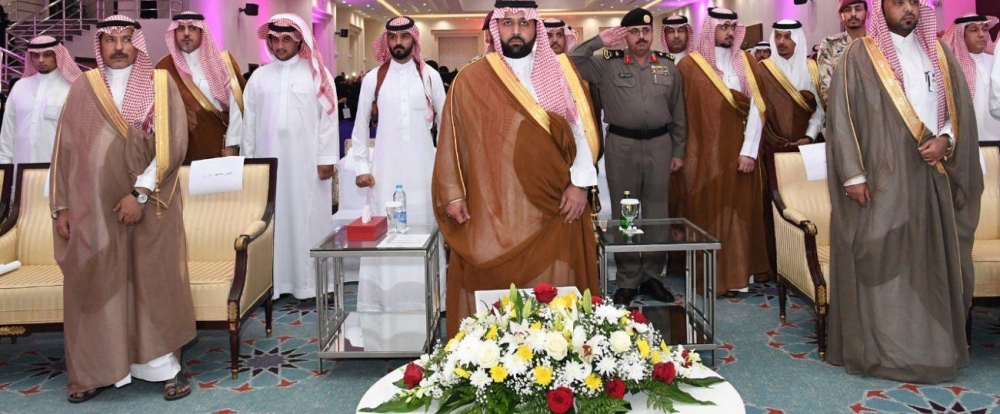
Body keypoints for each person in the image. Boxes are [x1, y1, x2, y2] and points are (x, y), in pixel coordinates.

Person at [825, 0, 982, 383]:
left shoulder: (940, 53)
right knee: (882, 258)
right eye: (898, 2)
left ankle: (932, 348)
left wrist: (946, 139)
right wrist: (852, 175)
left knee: (930, 260)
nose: (908, 9)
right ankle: (885, 351)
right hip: (883, 181)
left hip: (933, 176)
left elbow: (959, 111)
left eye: (913, 2)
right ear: (881, 8)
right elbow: (841, 117)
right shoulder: (858, 56)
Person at [432, 0, 601, 334]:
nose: (516, 31)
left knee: (555, 281)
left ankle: (554, 346)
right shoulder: (472, 78)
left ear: (536, 26)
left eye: (524, 23)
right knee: (496, 283)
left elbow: (580, 130)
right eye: (507, 23)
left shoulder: (559, 72)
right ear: (496, 27)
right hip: (494, 204)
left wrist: (580, 186)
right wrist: (453, 194)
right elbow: (452, 137)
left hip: (556, 201)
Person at [50, 15, 194, 403]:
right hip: (93, 209)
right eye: (110, 40)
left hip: (151, 204)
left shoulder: (160, 85)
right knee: (97, 282)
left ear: (137, 43)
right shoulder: (83, 88)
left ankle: (163, 367)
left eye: (126, 39)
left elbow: (173, 144)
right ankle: (99, 369)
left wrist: (139, 193)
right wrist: (61, 206)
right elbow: (65, 150)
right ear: (99, 45)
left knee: (153, 281)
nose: (118, 47)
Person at [569, 7, 685, 305]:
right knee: (626, 213)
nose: (641, 36)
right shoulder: (607, 65)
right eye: (634, 31)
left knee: (657, 214)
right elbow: (573, 60)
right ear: (625, 36)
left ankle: (653, 277)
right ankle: (629, 279)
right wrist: (600, 41)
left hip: (660, 145)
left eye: (645, 30)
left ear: (652, 33)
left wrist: (679, 150)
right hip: (622, 146)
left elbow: (679, 113)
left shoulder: (668, 67)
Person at [351, 16, 446, 312]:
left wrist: (445, 169)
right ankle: (385, 301)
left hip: (424, 170)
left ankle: (432, 300)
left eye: (404, 37)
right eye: (392, 38)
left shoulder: (429, 76)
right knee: (387, 233)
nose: (398, 43)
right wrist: (362, 168)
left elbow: (446, 124)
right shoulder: (373, 78)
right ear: (386, 41)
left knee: (425, 227)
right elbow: (359, 126)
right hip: (385, 170)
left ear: (414, 40)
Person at [673, 7, 769, 296]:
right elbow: (680, 115)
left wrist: (749, 151)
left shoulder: (747, 62)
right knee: (707, 214)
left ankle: (739, 276)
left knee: (739, 216)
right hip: (701, 159)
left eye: (732, 27)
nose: (728, 32)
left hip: (739, 153)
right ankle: (708, 276)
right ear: (709, 29)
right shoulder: (689, 67)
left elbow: (758, 108)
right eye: (722, 27)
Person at [241, 14, 339, 299]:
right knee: (272, 223)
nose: (279, 45)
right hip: (268, 164)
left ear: (299, 41)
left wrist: (327, 158)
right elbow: (249, 125)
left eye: (286, 39)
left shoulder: (317, 74)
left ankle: (314, 284)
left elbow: (328, 119)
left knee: (310, 220)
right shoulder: (259, 78)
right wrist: (249, 164)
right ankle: (275, 284)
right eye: (274, 39)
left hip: (308, 165)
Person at [156, 11, 246, 160]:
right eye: (181, 29)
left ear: (201, 32)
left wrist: (232, 145)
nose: (186, 33)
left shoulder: (222, 63)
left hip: (218, 143)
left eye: (192, 28)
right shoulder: (164, 67)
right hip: (179, 150)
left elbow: (236, 106)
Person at [0, 36, 81, 164]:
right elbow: (8, 132)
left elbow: (80, 136)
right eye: (35, 55)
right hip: (20, 168)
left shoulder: (72, 88)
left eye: (47, 55)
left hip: (57, 169)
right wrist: (4, 164)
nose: (41, 60)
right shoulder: (19, 87)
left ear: (57, 55)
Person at [758, 20, 825, 148]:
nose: (781, 42)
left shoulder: (811, 68)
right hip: (772, 144)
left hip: (808, 145)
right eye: (778, 36)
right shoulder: (763, 69)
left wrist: (809, 136)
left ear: (797, 39)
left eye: (787, 37)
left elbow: (819, 108)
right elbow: (758, 111)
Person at [943, 14, 999, 142]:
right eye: (974, 30)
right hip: (970, 140)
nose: (981, 34)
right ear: (961, 36)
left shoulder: (995, 61)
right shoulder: (951, 67)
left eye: (985, 29)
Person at [817, 0, 869, 103]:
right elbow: (827, 88)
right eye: (848, 10)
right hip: (843, 108)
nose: (853, 14)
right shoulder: (829, 44)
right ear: (840, 16)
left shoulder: (878, 43)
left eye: (858, 9)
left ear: (867, 14)